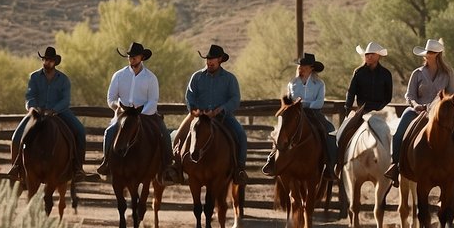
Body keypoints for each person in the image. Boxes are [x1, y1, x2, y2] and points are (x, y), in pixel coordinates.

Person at [385, 38, 454, 185]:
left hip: (441, 112)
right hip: (419, 110)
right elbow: (409, 95)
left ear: (437, 54)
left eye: (429, 52)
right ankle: (395, 165)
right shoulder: (417, 73)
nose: (426, 55)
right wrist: (416, 105)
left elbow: (452, 92)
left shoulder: (448, 72)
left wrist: (441, 104)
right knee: (399, 134)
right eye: (426, 52)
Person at [97, 41, 175, 181]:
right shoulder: (119, 76)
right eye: (130, 56)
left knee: (164, 133)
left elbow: (153, 100)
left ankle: (167, 166)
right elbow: (111, 98)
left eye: (134, 56)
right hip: (123, 114)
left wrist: (141, 113)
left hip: (146, 114)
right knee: (109, 132)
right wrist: (118, 107)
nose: (131, 59)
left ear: (142, 58)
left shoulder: (151, 78)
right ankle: (107, 163)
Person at [7, 47, 87, 181]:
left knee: (80, 130)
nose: (46, 63)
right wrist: (32, 107)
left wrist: (54, 110)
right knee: (16, 136)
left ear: (55, 62)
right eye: (44, 60)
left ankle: (78, 168)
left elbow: (65, 100)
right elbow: (30, 95)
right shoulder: (34, 77)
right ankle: (16, 166)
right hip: (36, 112)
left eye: (49, 60)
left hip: (59, 112)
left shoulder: (63, 79)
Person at [172, 44, 247, 184]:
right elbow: (190, 96)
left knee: (241, 134)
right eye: (207, 59)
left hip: (223, 116)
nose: (209, 62)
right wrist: (195, 109)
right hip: (199, 116)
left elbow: (235, 99)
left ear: (220, 60)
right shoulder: (197, 77)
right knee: (178, 135)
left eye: (212, 59)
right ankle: (176, 167)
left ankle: (239, 168)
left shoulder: (229, 78)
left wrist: (221, 109)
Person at [264, 53, 336, 176]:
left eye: (304, 66)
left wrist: (303, 105)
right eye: (300, 66)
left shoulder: (319, 84)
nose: (301, 68)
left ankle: (330, 164)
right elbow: (290, 100)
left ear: (311, 68)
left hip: (313, 113)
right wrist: (293, 105)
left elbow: (319, 102)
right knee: (279, 131)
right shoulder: (293, 83)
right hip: (295, 114)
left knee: (329, 129)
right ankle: (272, 158)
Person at [334, 42, 394, 177]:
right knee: (342, 133)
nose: (368, 57)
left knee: (392, 135)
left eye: (371, 54)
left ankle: (393, 165)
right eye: (367, 54)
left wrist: (379, 108)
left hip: (381, 111)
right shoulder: (358, 72)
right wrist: (348, 108)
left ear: (378, 56)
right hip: (362, 110)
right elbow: (351, 92)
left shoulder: (386, 74)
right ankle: (339, 164)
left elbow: (388, 97)